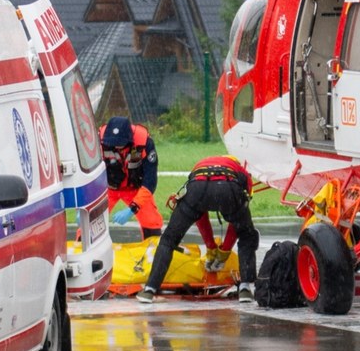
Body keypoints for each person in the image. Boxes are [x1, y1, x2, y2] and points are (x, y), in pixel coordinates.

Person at [137, 155, 258, 304]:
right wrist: (224, 252)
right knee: (247, 236)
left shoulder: (202, 164)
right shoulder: (241, 171)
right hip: (229, 189)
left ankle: (149, 289)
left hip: (197, 188)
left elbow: (199, 215)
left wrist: (211, 247)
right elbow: (238, 222)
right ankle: (245, 289)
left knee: (169, 239)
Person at [101, 117, 164, 239]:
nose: (117, 146)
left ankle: (153, 253)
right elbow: (90, 175)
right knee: (88, 224)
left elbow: (150, 182)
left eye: (120, 143)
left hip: (135, 189)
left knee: (152, 223)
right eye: (113, 143)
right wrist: (86, 205)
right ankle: (81, 248)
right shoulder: (98, 141)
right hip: (107, 189)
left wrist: (132, 209)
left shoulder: (145, 143)